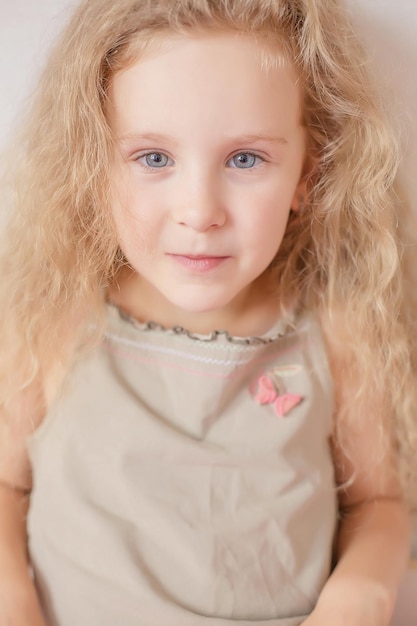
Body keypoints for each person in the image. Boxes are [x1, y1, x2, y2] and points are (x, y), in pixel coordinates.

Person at [0, 0, 416, 624]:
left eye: (245, 159)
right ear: (97, 165)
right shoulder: (55, 316)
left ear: (308, 171)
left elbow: (378, 499)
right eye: (154, 159)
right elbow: (6, 485)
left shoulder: (334, 330)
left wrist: (363, 592)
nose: (200, 211)